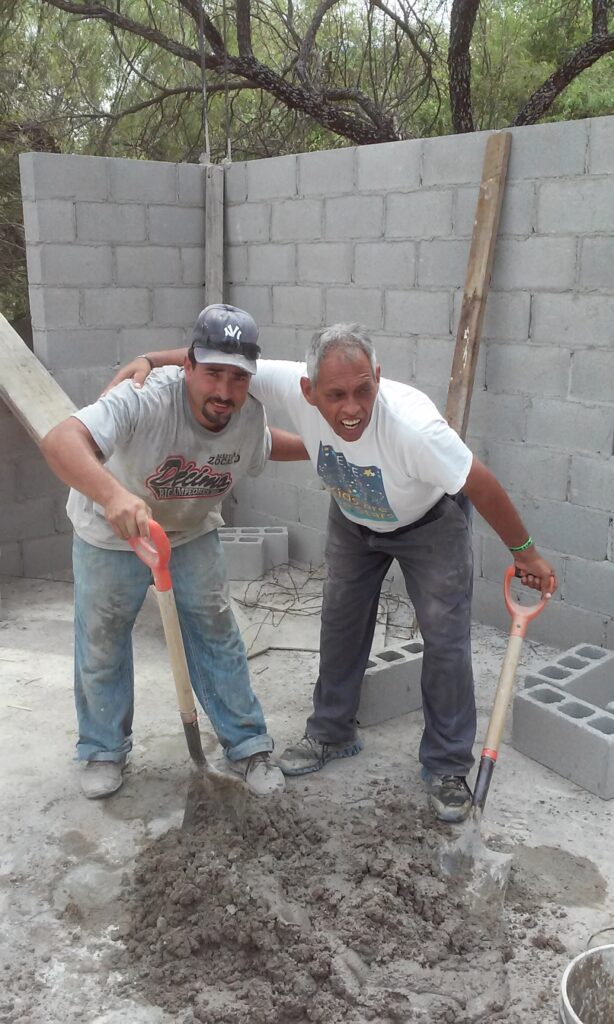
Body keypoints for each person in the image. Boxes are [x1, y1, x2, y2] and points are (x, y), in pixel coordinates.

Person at [105, 322, 557, 823]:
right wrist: (150, 358)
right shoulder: (285, 383)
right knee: (340, 624)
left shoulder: (414, 428)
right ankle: (331, 734)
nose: (352, 408)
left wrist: (526, 554)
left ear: (378, 378)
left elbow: (480, 482)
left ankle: (447, 766)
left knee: (446, 640)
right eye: (336, 394)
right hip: (353, 519)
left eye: (364, 390)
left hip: (429, 524)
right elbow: (224, 365)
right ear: (308, 390)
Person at [40, 303, 307, 800]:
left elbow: (266, 446)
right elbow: (61, 440)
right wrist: (114, 495)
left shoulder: (248, 416)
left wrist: (325, 448)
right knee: (103, 638)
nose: (224, 391)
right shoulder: (142, 397)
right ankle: (102, 749)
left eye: (237, 377)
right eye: (212, 374)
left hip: (188, 532)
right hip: (111, 530)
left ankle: (247, 744)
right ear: (187, 365)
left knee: (217, 631)